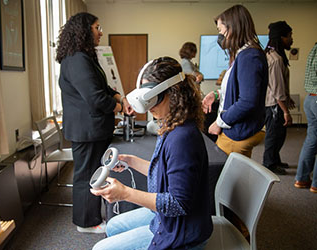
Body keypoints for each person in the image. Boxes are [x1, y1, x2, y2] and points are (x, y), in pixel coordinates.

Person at [91, 57, 212, 250]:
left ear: (174, 92)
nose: (148, 107)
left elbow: (177, 204)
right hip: (168, 220)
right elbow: (165, 173)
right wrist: (130, 161)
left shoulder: (182, 138)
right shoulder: (171, 123)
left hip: (181, 231)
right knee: (113, 225)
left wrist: (125, 194)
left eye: (153, 98)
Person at [55, 12, 133, 233]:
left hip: (91, 129)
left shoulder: (84, 57)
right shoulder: (77, 59)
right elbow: (96, 98)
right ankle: (86, 223)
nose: (101, 32)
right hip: (86, 130)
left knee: (92, 173)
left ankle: (90, 218)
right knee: (86, 176)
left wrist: (120, 98)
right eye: (97, 27)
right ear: (84, 30)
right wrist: (119, 108)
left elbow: (103, 88)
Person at [202, 4, 268, 158]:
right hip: (238, 128)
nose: (219, 35)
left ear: (233, 27)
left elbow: (247, 101)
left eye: (220, 30)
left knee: (225, 179)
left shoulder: (249, 56)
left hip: (236, 131)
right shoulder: (243, 54)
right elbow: (240, 88)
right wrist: (217, 94)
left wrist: (219, 122)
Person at [262, 21, 296, 175]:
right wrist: (286, 111)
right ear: (281, 37)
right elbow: (276, 88)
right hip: (274, 105)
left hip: (276, 103)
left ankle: (275, 159)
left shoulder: (275, 55)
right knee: (273, 135)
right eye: (289, 36)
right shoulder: (275, 59)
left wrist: (288, 99)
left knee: (279, 134)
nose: (291, 39)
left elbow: (279, 86)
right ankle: (269, 163)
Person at [295, 43, 317, 193]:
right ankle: (316, 183)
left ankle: (302, 178)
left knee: (312, 138)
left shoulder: (313, 49)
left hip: (311, 99)